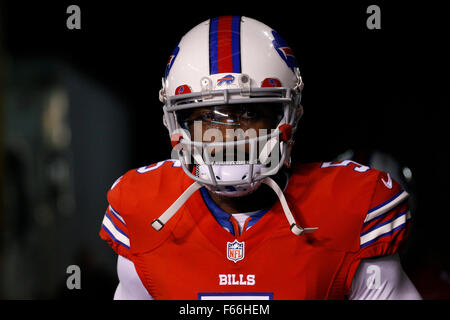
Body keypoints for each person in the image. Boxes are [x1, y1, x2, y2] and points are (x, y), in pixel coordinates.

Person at [99, 16, 422, 300]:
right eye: (207, 117)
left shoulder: (350, 204)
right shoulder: (142, 206)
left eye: (250, 112)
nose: (228, 136)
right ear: (176, 124)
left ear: (289, 116)